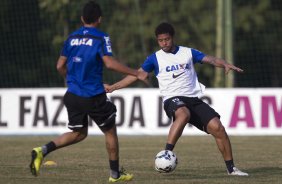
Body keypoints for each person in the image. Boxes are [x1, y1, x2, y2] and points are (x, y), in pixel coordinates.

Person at [105, 22, 248, 176]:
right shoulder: (154, 59)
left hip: (193, 99)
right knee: (183, 114)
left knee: (218, 128)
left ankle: (231, 169)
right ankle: (166, 153)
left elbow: (211, 60)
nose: (164, 43)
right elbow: (136, 76)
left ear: (172, 38)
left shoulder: (188, 52)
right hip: (172, 99)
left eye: (166, 39)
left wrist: (224, 63)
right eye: (160, 40)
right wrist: (113, 87)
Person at [29, 1, 146, 182]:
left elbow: (59, 65)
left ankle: (42, 150)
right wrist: (136, 73)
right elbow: (109, 63)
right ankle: (115, 175)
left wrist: (73, 80)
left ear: (82, 18)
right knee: (110, 132)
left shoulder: (71, 38)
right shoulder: (101, 37)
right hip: (93, 96)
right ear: (100, 19)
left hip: (73, 95)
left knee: (79, 133)